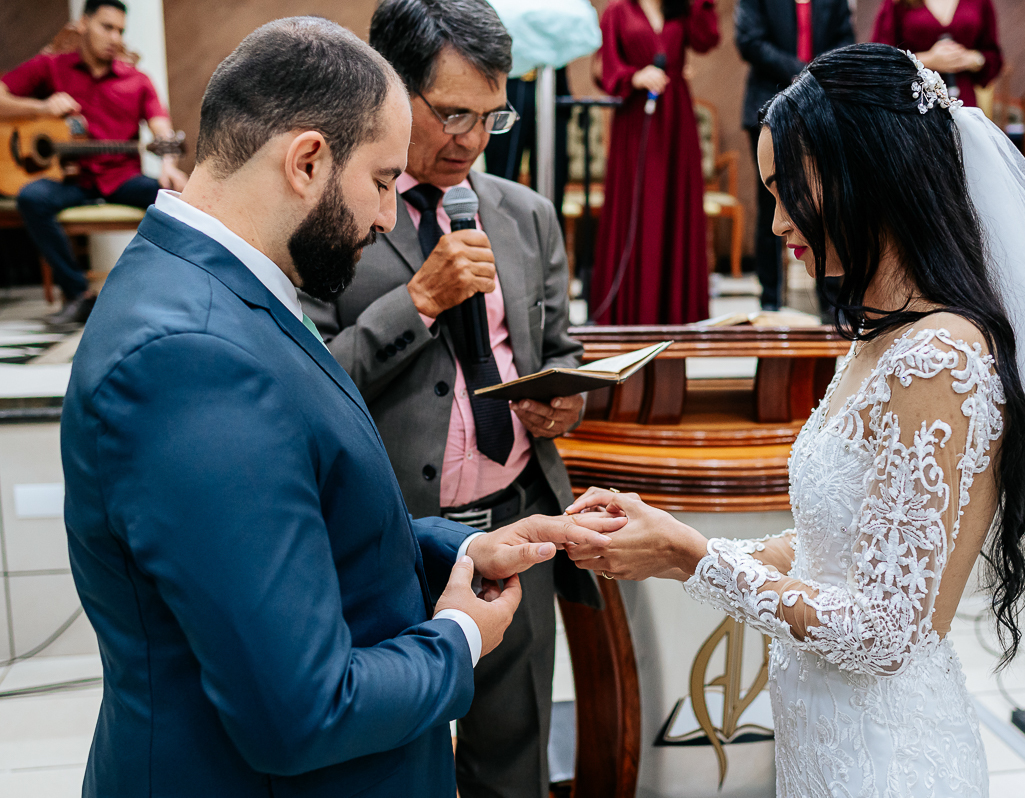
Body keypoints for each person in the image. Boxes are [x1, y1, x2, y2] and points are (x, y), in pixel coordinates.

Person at [564, 44, 1025, 797]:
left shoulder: (939, 356)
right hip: (831, 744)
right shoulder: (884, 338)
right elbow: (840, 547)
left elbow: (884, 633)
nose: (777, 223)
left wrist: (693, 557)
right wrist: (667, 539)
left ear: (866, 172)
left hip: (886, 761)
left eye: (788, 191)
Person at [61, 17, 620, 797]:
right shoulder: (190, 357)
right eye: (384, 180)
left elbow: (303, 530)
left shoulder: (224, 284)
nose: (390, 214)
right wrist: (459, 635)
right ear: (307, 162)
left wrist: (461, 551)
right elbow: (303, 711)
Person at [299, 2, 597, 797]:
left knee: (514, 757)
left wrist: (564, 401)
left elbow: (558, 349)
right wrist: (417, 303)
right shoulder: (331, 218)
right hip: (389, 534)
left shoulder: (526, 215)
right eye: (453, 113)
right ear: (390, 89)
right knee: (393, 762)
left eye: (493, 117)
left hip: (518, 522)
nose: (470, 139)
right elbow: (306, 384)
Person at [0, 0, 188, 325]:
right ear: (84, 24)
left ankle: (168, 294)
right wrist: (41, 108)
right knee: (32, 198)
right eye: (107, 27)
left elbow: (162, 128)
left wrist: (169, 164)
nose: (115, 37)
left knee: (174, 200)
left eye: (120, 31)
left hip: (122, 178)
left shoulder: (138, 80)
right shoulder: (51, 67)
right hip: (72, 181)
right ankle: (79, 294)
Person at [589, 0, 719, 325]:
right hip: (635, 119)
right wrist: (634, 76)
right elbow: (605, 67)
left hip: (677, 120)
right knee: (636, 203)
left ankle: (676, 312)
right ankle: (632, 309)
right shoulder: (618, 11)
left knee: (676, 204)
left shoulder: (681, 9)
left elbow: (706, 39)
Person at [735, 0, 853, 310]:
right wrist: (803, 73)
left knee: (825, 200)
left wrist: (816, 76)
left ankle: (829, 300)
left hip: (822, 107)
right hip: (768, 102)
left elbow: (845, 38)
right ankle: (770, 299)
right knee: (771, 206)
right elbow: (750, 41)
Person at [871, 0, 1002, 110]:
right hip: (912, 102)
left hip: (962, 102)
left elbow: (993, 56)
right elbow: (880, 58)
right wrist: (926, 61)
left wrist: (974, 60)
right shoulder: (896, 3)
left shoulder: (981, 2)